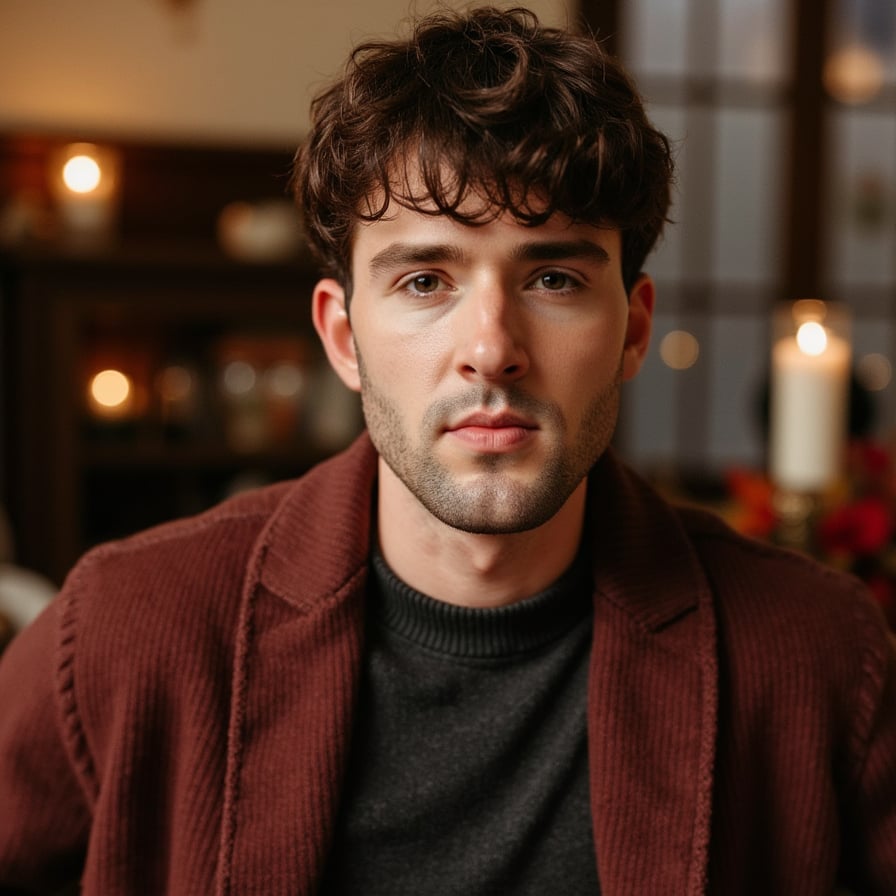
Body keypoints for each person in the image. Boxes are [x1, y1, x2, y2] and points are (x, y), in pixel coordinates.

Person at [1, 6, 895, 894]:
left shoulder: (819, 658)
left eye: (553, 278)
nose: (491, 345)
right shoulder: (125, 629)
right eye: (425, 280)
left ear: (634, 330)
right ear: (343, 337)